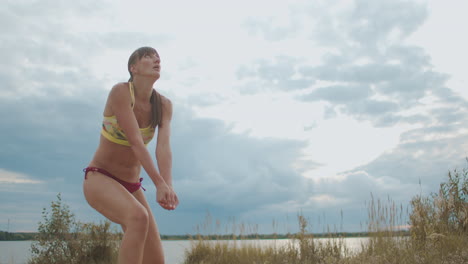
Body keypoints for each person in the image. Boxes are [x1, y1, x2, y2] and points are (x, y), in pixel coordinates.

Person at [83, 46, 178, 264]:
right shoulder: (121, 92)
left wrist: (168, 186)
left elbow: (163, 148)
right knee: (138, 217)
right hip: (100, 178)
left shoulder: (163, 105)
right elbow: (136, 142)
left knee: (155, 260)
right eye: (148, 56)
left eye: (158, 57)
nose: (156, 60)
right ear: (133, 67)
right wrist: (158, 183)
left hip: (131, 187)